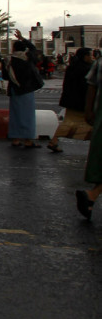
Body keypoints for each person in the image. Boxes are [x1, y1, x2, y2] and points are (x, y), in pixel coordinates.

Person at [49, 47, 93, 153]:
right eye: (90, 55)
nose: (91, 57)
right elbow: (86, 87)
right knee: (89, 123)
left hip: (70, 100)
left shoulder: (73, 67)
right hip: (80, 102)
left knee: (69, 122)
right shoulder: (86, 69)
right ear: (85, 56)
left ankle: (54, 141)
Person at [5, 30, 44, 148]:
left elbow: (6, 76)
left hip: (14, 89)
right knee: (28, 115)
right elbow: (33, 48)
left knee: (15, 114)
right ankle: (28, 139)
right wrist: (22, 38)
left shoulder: (8, 60)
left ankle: (15, 138)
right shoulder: (28, 57)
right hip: (27, 89)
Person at [76, 55, 102, 220]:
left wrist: (88, 110)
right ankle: (91, 195)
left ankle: (91, 196)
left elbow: (91, 86)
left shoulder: (99, 62)